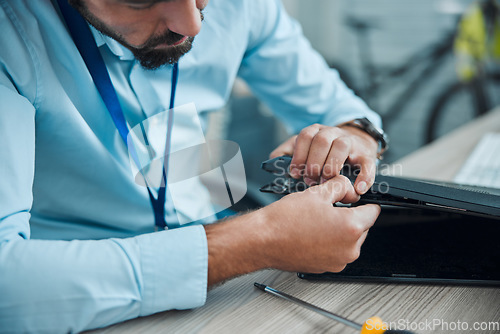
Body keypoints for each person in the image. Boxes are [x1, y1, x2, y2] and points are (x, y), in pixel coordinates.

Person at [0, 0, 383, 332]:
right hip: (81, 301)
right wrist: (256, 240)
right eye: (141, 2)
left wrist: (354, 137)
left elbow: (344, 112)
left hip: (229, 283)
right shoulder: (9, 34)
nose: (192, 25)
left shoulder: (239, 6)